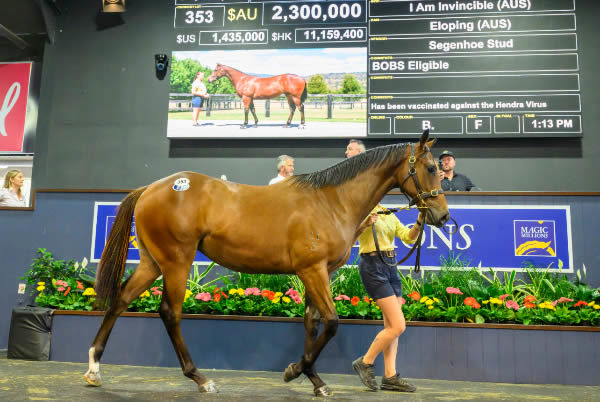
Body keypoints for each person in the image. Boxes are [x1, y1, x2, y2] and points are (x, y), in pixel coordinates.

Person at [348, 145, 421, 392]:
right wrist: (365, 223)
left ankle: (390, 376)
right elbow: (351, 236)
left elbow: (408, 237)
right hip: (372, 265)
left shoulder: (388, 213)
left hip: (391, 266)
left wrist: (420, 220)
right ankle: (365, 362)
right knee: (398, 325)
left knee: (392, 326)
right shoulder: (362, 212)